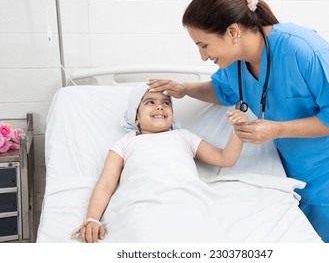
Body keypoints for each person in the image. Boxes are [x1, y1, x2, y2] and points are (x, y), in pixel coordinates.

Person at [147, 0, 329, 243]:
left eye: (204, 45)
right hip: (296, 161)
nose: (203, 56)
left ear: (232, 31)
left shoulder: (303, 49)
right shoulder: (235, 60)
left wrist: (276, 130)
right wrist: (185, 89)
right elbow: (222, 90)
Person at [70, 83, 247, 243]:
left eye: (166, 102)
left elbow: (226, 158)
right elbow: (106, 183)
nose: (160, 106)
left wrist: (238, 130)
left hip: (185, 199)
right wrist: (92, 218)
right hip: (142, 202)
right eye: (150, 102)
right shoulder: (125, 143)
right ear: (135, 117)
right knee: (145, 235)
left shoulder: (184, 136)